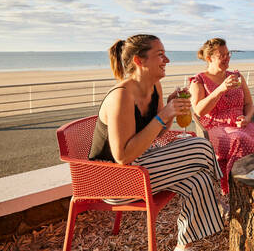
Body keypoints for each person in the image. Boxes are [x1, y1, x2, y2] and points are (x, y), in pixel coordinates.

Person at [88, 35, 223, 251]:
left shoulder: (154, 86)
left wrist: (169, 109)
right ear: (139, 61)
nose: (167, 60)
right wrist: (163, 115)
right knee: (201, 146)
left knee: (198, 179)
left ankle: (184, 245)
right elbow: (123, 157)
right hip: (114, 180)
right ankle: (223, 194)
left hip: (143, 163)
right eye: (160, 55)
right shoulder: (121, 96)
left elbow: (159, 133)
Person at [190, 38, 254, 195]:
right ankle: (237, 189)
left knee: (243, 136)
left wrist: (248, 118)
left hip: (242, 124)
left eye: (228, 54)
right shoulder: (199, 81)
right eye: (222, 55)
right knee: (239, 139)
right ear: (209, 58)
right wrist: (221, 89)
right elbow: (199, 111)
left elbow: (249, 104)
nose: (227, 58)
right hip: (216, 128)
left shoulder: (237, 76)